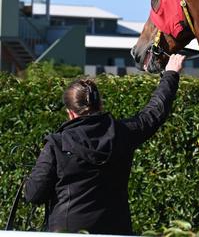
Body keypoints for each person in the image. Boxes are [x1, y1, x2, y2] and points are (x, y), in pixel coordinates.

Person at [24, 54, 186, 234]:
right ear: (100, 104)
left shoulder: (56, 144)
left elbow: (33, 195)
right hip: (116, 231)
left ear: (70, 113)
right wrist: (170, 73)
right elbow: (154, 113)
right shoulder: (123, 133)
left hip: (66, 231)